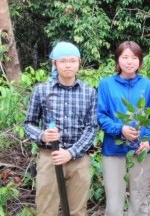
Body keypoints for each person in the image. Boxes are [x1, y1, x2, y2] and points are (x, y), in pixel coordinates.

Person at [24, 41, 97, 216]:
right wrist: (43, 135)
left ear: (79, 62)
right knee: (46, 208)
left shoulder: (89, 92)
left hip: (79, 160)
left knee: (78, 210)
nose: (68, 65)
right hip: (50, 158)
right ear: (54, 63)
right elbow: (28, 124)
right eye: (63, 60)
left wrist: (71, 152)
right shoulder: (41, 90)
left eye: (72, 60)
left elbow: (92, 127)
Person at [97, 41, 150, 215]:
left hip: (140, 150)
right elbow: (101, 116)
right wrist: (120, 129)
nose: (129, 61)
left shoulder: (148, 86)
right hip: (113, 149)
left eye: (134, 57)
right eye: (125, 57)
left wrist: (147, 139)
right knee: (114, 204)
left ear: (140, 61)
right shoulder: (106, 85)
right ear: (117, 60)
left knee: (138, 201)